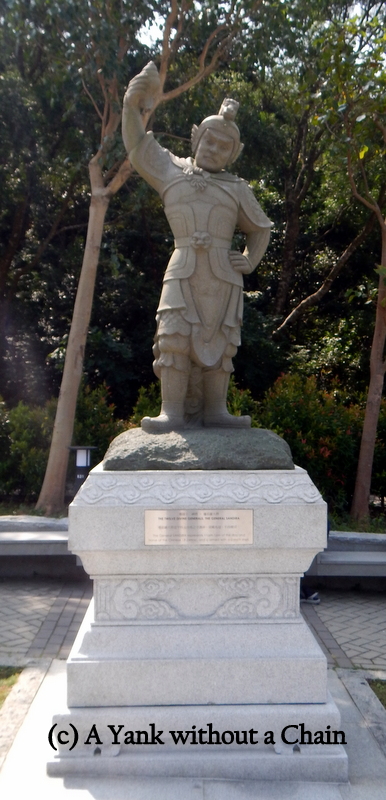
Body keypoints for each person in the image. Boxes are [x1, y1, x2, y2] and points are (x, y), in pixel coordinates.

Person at [122, 62, 272, 432]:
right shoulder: (171, 170)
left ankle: (215, 410)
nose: (215, 149)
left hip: (224, 276)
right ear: (197, 139)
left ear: (233, 154)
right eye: (210, 141)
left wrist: (250, 261)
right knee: (173, 337)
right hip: (183, 266)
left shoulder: (237, 188)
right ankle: (172, 411)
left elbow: (261, 228)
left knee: (222, 345)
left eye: (225, 146)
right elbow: (138, 146)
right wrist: (131, 105)